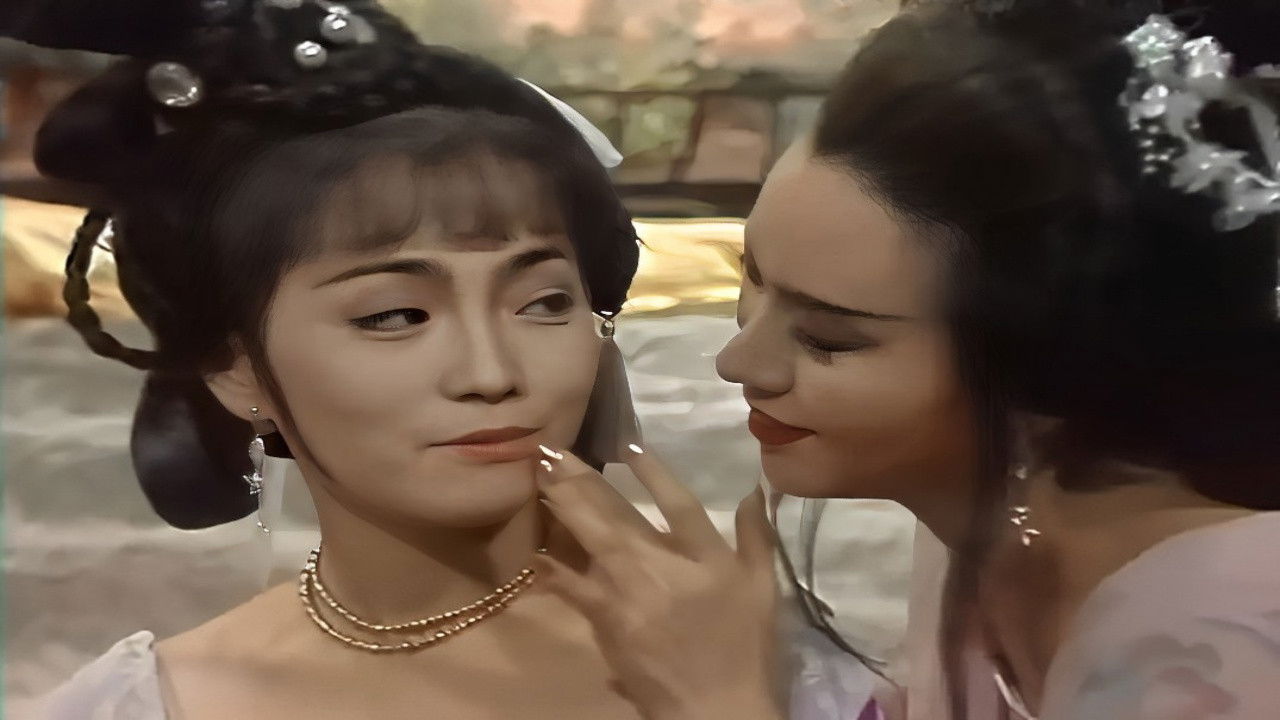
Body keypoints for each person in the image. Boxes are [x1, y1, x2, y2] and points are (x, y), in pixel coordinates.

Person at [525, 2, 1280, 719]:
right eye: (752, 277)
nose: (739, 361)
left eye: (829, 339)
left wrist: (717, 698)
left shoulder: (1213, 631)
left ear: (1050, 367)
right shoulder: (982, 526)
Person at [12, 0, 657, 716]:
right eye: (395, 316)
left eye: (543, 303)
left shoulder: (730, 648)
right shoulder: (143, 704)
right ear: (234, 367)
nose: (492, 374)